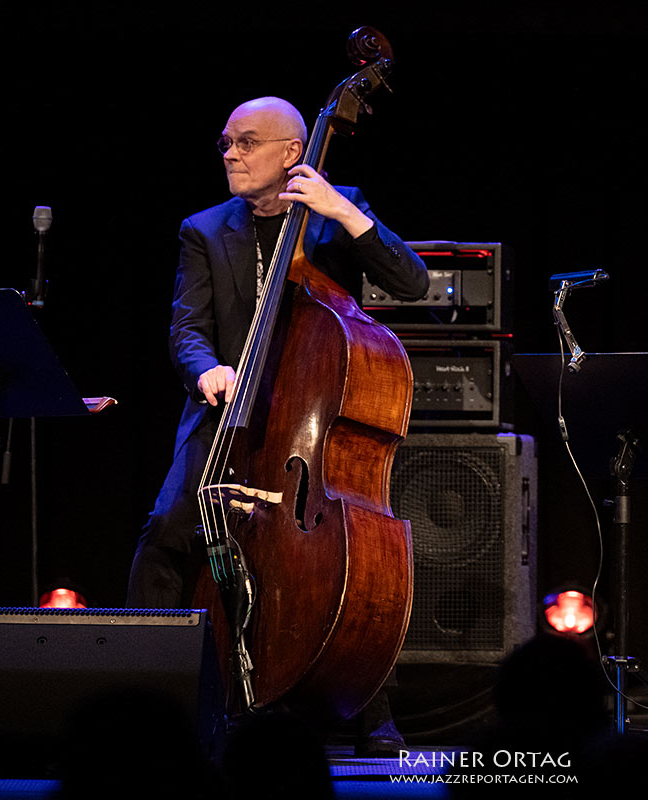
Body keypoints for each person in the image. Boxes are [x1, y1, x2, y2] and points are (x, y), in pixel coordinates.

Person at [126, 96, 427, 753]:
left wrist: (345, 214)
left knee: (350, 556)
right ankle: (156, 696)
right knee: (167, 531)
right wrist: (206, 369)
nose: (231, 153)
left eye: (247, 142)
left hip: (310, 424)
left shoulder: (336, 208)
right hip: (225, 418)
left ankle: (372, 710)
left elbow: (412, 283)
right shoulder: (204, 229)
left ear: (293, 152)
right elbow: (186, 330)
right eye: (226, 143)